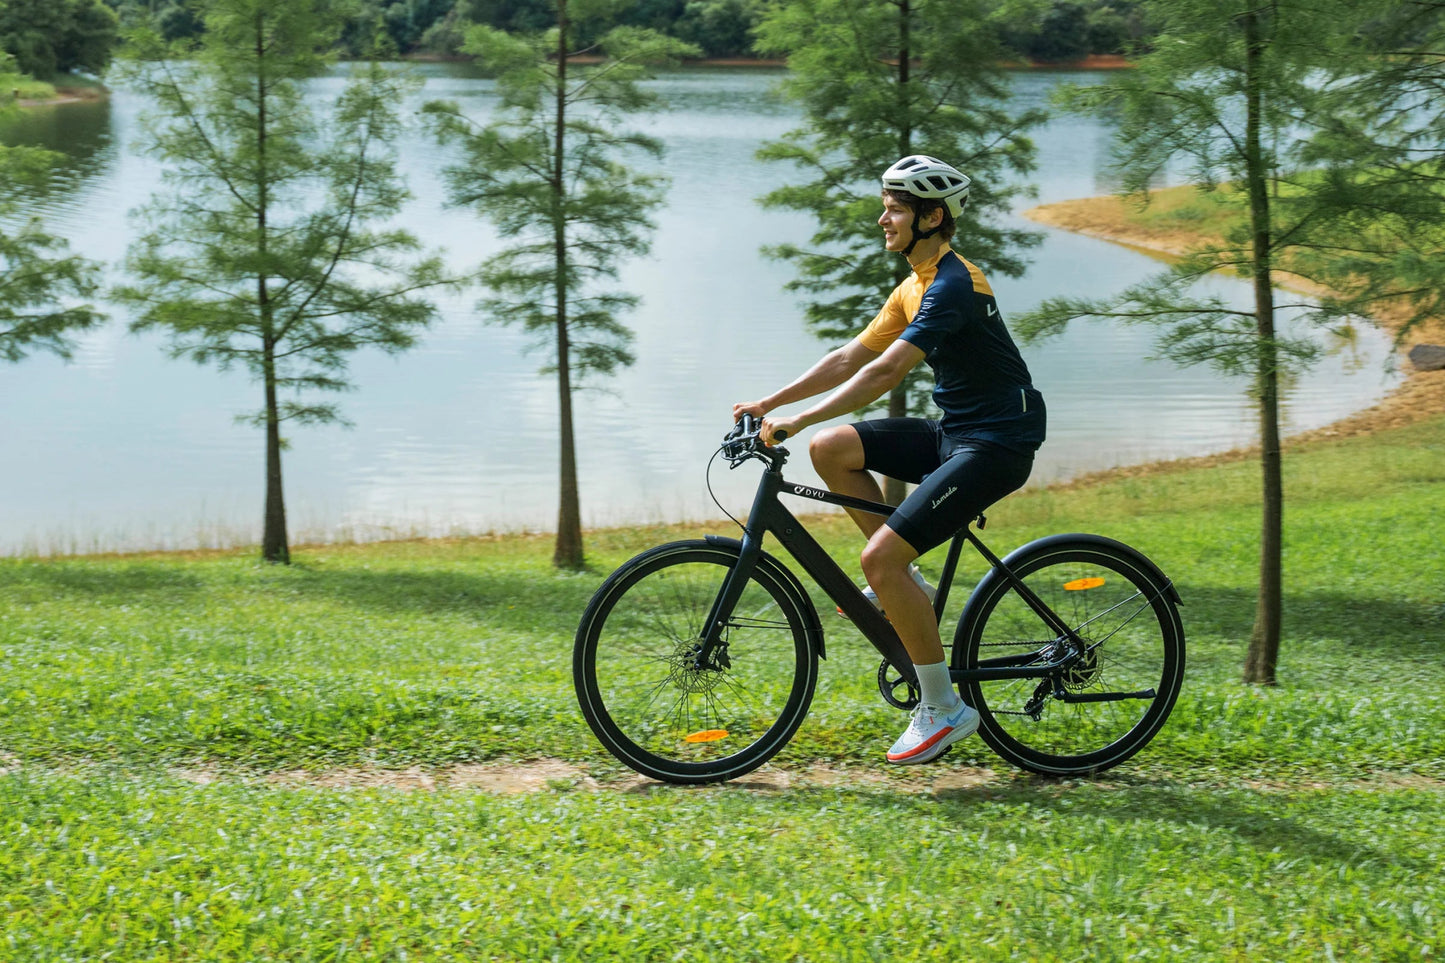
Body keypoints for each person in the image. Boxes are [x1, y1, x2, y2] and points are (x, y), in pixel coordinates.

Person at [732, 155, 1046, 765]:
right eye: (887, 206)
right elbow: (851, 357)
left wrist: (799, 418)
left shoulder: (955, 285)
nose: (883, 219)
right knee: (832, 449)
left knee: (878, 558)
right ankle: (907, 582)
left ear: (932, 217)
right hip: (958, 430)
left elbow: (886, 371)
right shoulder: (915, 283)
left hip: (998, 442)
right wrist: (769, 402)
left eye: (895, 209)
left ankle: (943, 707)